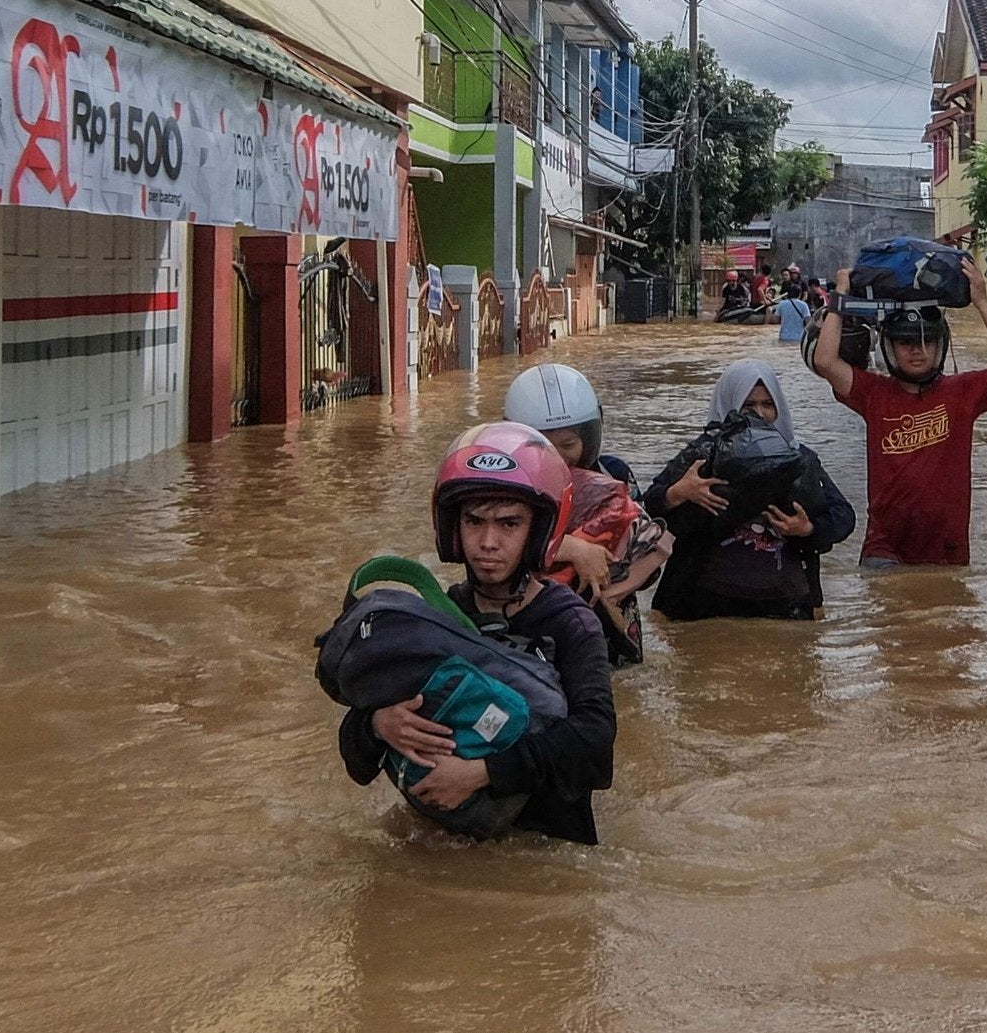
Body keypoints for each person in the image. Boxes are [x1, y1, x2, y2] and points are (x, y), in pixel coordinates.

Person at [339, 424, 617, 844]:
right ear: (453, 526)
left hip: (545, 854)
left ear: (540, 531)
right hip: (442, 848)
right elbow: (357, 763)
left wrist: (481, 774)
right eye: (474, 521)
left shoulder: (572, 624)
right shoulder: (434, 616)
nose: (488, 542)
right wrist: (378, 724)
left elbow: (595, 748)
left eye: (509, 524)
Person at [809, 254, 987, 568]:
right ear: (889, 347)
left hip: (946, 549)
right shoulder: (874, 392)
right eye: (906, 342)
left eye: (927, 342)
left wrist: (981, 302)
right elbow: (825, 362)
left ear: (941, 347)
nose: (917, 351)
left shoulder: (962, 392)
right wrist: (839, 297)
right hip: (884, 547)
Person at [643, 359, 855, 621]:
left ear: (780, 408)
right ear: (729, 405)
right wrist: (678, 493)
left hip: (786, 605)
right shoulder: (701, 456)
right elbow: (647, 507)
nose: (760, 414)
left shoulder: (800, 459)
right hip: (702, 605)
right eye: (748, 405)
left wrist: (807, 529)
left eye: (768, 405)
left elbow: (843, 517)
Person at [506, 364, 669, 665]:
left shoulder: (614, 478)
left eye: (568, 445)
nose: (557, 456)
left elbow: (647, 555)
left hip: (612, 627)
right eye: (542, 446)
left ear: (589, 437)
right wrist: (575, 550)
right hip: (538, 631)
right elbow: (490, 552)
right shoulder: (507, 489)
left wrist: (613, 574)